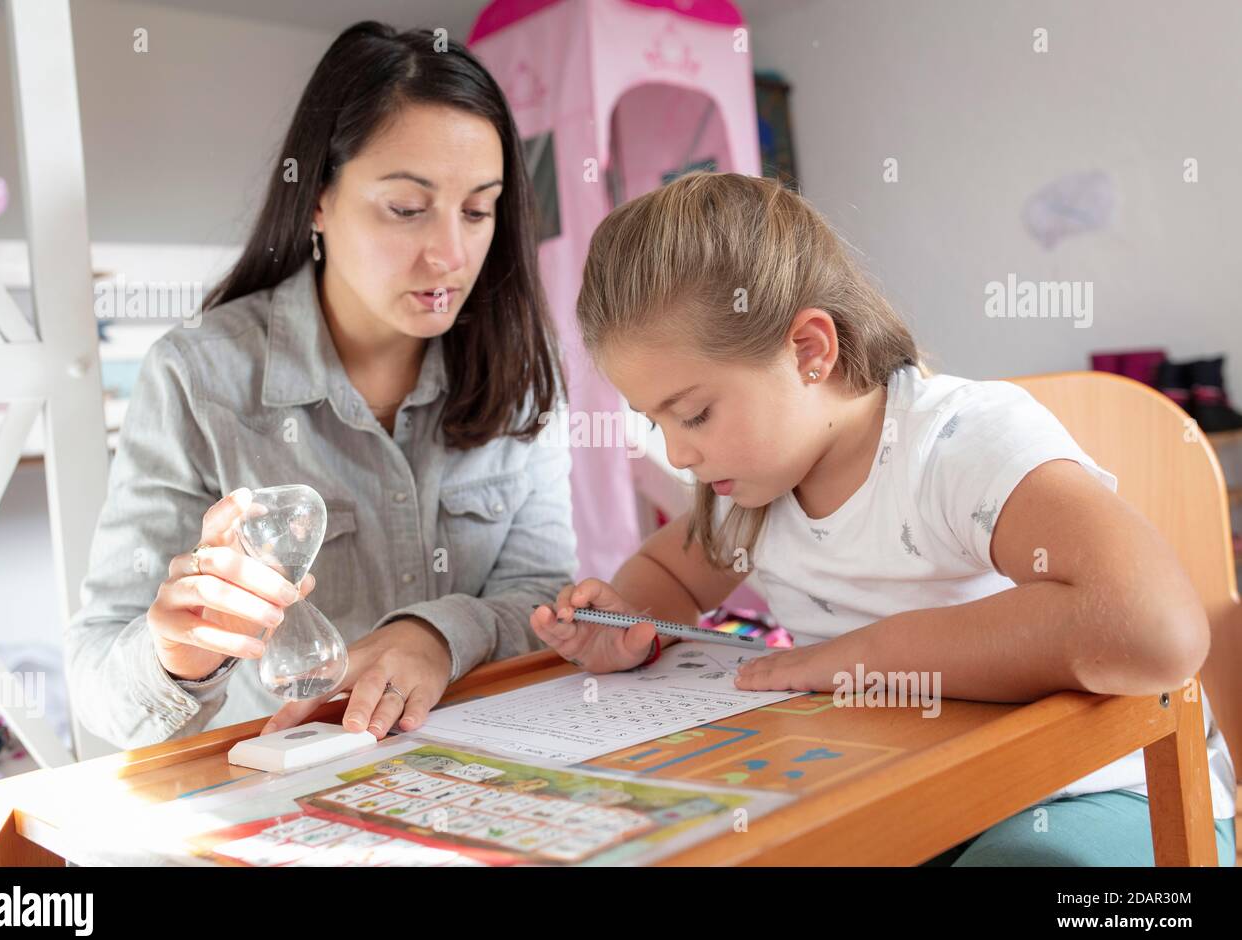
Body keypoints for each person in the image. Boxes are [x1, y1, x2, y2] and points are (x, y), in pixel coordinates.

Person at [530, 171, 1236, 866]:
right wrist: (631, 624)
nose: (679, 453)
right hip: (906, 793)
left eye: (694, 414)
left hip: (1100, 796)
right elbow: (667, 573)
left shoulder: (957, 444)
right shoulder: (751, 489)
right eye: (655, 421)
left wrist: (860, 658)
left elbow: (1157, 630)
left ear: (809, 350)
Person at [65, 22, 576, 750]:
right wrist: (178, 656)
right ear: (318, 201)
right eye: (407, 208)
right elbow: (96, 684)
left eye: (478, 210)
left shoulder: (522, 369)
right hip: (283, 798)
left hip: (485, 770)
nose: (451, 255)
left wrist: (435, 637)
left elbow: (548, 599)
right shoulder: (199, 377)